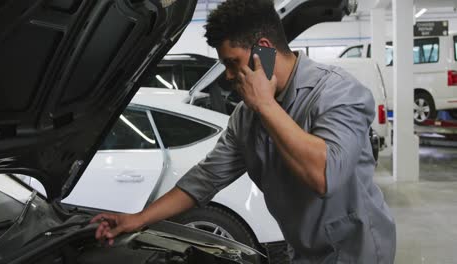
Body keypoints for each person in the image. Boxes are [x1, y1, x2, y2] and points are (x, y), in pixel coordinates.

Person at [92, 0, 396, 263]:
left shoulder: (337, 92)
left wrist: (265, 104)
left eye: (232, 62)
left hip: (357, 250)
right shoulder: (246, 117)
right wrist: (139, 219)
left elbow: (325, 176)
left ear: (263, 51)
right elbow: (205, 180)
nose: (227, 75)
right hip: (302, 248)